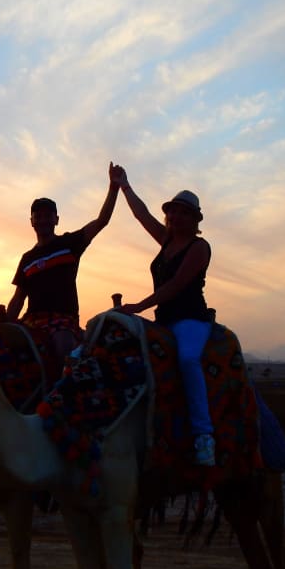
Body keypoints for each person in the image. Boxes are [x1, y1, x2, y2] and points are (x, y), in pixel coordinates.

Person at [112, 166, 216, 466]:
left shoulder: (199, 247)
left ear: (195, 220)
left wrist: (139, 306)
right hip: (164, 321)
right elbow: (141, 215)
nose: (175, 217)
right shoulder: (167, 241)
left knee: (187, 360)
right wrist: (124, 186)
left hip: (190, 320)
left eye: (183, 212)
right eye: (172, 212)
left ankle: (203, 435)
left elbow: (177, 285)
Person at [5, 161, 123, 364]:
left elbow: (102, 220)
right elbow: (18, 298)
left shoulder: (70, 244)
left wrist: (114, 187)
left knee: (63, 349)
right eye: (38, 216)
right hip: (32, 321)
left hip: (62, 321)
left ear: (56, 219)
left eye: (47, 216)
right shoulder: (27, 259)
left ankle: (66, 393)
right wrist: (4, 327)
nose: (43, 220)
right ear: (31, 221)